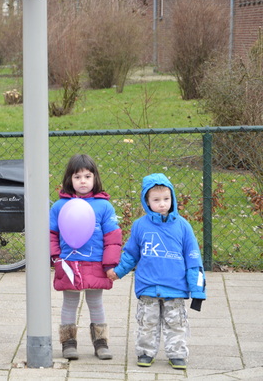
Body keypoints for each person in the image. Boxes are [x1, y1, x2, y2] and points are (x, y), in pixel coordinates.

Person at [108, 173, 206, 370]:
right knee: (147, 322)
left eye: (166, 199)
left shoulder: (183, 226)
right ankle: (145, 352)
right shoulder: (140, 226)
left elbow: (194, 260)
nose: (162, 204)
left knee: (176, 323)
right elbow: (130, 254)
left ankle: (177, 353)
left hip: (176, 287)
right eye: (156, 200)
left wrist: (197, 289)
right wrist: (118, 272)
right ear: (146, 201)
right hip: (148, 286)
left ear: (173, 199)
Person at [50, 154, 122, 361]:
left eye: (87, 176)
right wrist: (55, 258)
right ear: (69, 179)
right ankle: (68, 343)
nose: (83, 181)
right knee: (69, 303)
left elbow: (113, 237)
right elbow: (51, 234)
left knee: (96, 302)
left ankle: (101, 342)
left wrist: (110, 264)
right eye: (77, 176)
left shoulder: (104, 207)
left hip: (96, 263)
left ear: (95, 178)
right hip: (69, 263)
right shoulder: (59, 207)